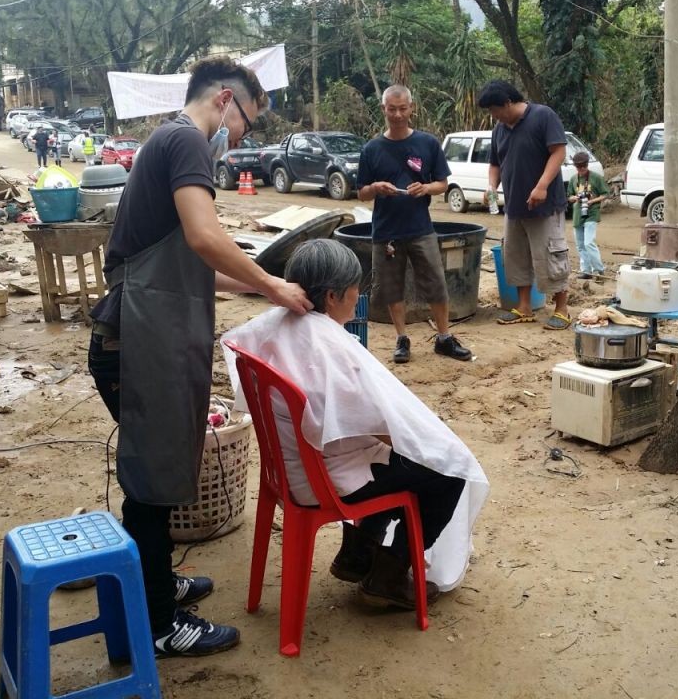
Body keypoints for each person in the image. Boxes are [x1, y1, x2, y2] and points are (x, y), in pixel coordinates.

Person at [87, 57, 312, 658]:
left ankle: (155, 576)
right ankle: (160, 621)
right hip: (138, 340)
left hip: (144, 332)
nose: (240, 142)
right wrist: (271, 285)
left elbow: (201, 268)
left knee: (157, 474)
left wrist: (266, 282)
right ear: (223, 101)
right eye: (244, 127)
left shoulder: (166, 140)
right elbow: (205, 240)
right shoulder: (186, 139)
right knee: (153, 482)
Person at [223, 239, 488, 608]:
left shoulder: (269, 327)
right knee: (447, 472)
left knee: (400, 459)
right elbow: (381, 427)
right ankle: (390, 574)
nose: (356, 296)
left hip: (288, 471)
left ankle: (357, 553)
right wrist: (429, 442)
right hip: (325, 482)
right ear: (333, 296)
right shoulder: (329, 347)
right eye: (354, 289)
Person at [356, 85, 472, 364]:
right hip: (386, 231)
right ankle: (401, 338)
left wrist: (426, 188)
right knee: (392, 287)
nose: (397, 114)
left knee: (436, 283)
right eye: (391, 109)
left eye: (402, 108)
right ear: (383, 109)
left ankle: (444, 338)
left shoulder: (428, 143)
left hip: (421, 228)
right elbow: (361, 192)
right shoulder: (371, 149)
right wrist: (375, 187)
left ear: (411, 108)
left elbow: (442, 184)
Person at [478, 80, 571, 330]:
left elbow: (558, 152)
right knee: (515, 257)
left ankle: (562, 309)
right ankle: (524, 307)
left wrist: (541, 186)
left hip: (545, 206)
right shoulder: (500, 129)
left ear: (508, 102)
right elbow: (495, 163)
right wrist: (491, 186)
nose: (493, 115)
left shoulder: (543, 116)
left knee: (551, 255)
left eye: (495, 109)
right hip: (514, 207)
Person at [566, 151, 609, 279]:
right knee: (580, 245)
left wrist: (592, 201)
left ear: (587, 165)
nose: (581, 169)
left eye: (583, 166)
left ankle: (599, 270)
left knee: (589, 242)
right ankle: (586, 271)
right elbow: (569, 196)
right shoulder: (574, 179)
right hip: (578, 214)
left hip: (592, 213)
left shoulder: (596, 177)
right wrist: (575, 198)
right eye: (579, 167)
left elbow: (605, 194)